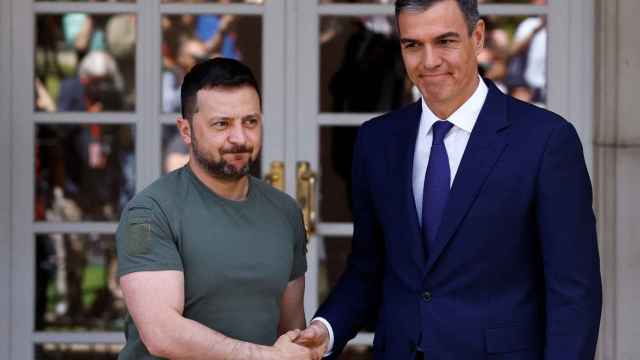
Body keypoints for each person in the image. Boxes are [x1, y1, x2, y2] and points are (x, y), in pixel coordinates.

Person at [296, 1, 602, 359]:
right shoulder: (377, 141)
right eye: (413, 45)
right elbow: (368, 268)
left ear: (478, 37)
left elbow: (574, 293)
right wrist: (326, 330)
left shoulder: (546, 141)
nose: (429, 62)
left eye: (445, 41)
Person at [116, 58, 313, 359]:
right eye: (222, 124)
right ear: (186, 131)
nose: (240, 138)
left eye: (250, 121)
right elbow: (162, 334)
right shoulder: (148, 214)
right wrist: (265, 357)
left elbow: (290, 327)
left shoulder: (285, 212)